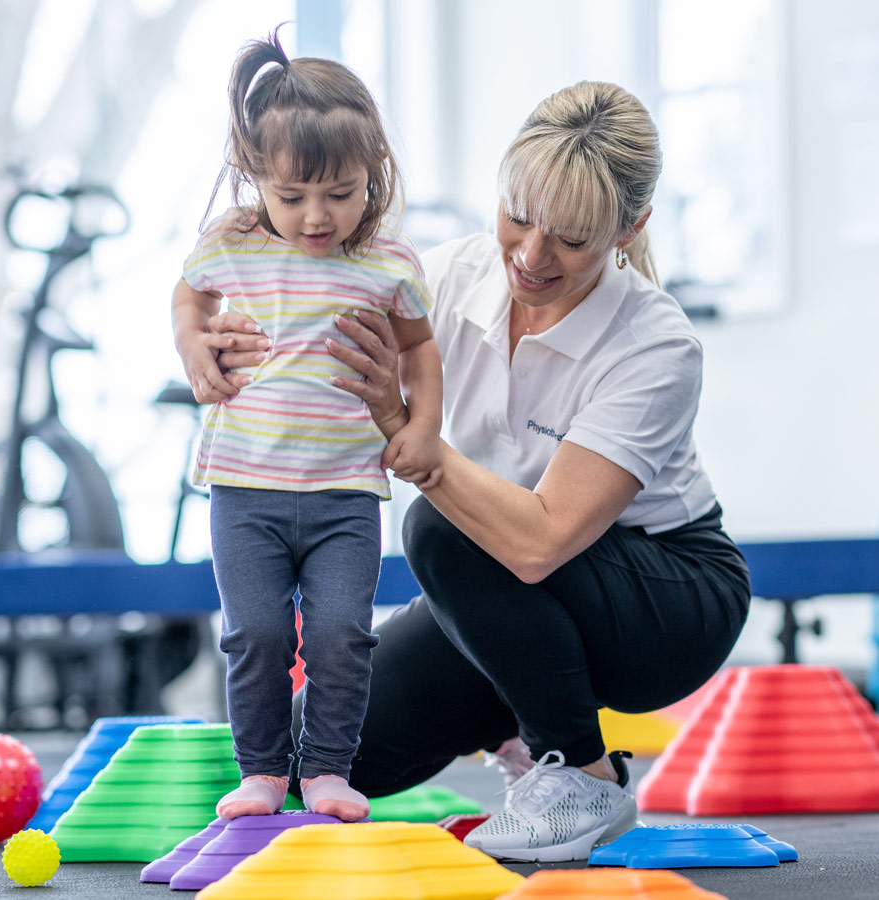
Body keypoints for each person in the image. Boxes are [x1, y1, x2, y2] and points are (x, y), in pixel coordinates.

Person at [197, 80, 751, 861]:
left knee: (441, 526)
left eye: (570, 237)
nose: (531, 255)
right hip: (510, 590)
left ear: (630, 228)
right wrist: (226, 345)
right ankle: (525, 718)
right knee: (310, 755)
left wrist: (406, 431)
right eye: (518, 215)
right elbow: (310, 334)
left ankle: (583, 775)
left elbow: (540, 541)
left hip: (664, 601)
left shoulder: (655, 344)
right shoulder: (450, 277)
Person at [171, 29, 442, 824]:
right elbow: (189, 298)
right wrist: (194, 346)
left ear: (373, 172)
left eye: (341, 193)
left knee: (339, 636)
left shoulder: (389, 261)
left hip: (345, 494)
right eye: (292, 197)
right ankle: (261, 770)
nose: (317, 216)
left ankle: (326, 770)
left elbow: (419, 349)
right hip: (243, 488)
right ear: (257, 176)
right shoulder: (232, 241)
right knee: (255, 632)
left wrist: (423, 426)